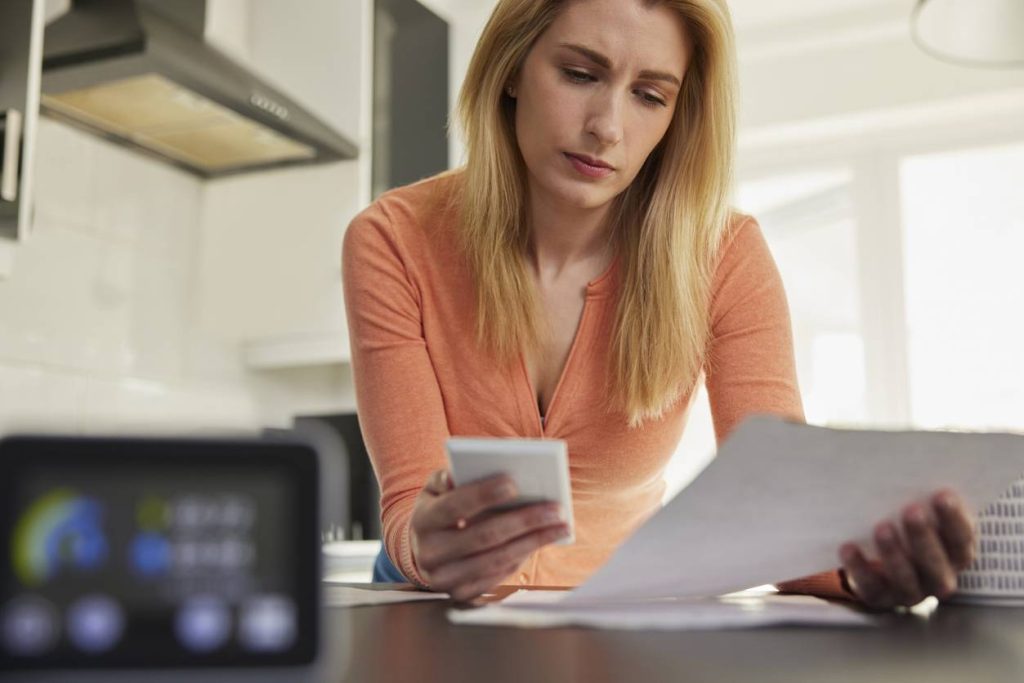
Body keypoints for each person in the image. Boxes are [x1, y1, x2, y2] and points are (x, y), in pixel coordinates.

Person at [342, 0, 976, 606]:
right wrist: (428, 548)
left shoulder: (725, 255)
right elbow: (407, 508)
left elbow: (777, 512)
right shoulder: (393, 240)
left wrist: (864, 569)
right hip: (430, 602)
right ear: (510, 70)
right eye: (579, 74)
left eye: (650, 96)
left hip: (617, 612)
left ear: (678, 114)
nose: (607, 127)